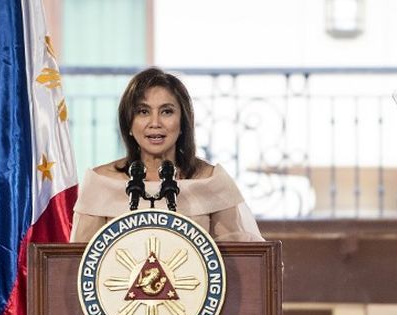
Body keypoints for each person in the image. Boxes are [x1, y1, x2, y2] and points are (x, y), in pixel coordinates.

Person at [70, 67, 263, 242]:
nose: (155, 123)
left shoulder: (211, 180)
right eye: (143, 111)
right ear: (129, 123)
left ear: (182, 123)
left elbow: (241, 263)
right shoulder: (101, 182)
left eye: (167, 112)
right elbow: (79, 262)